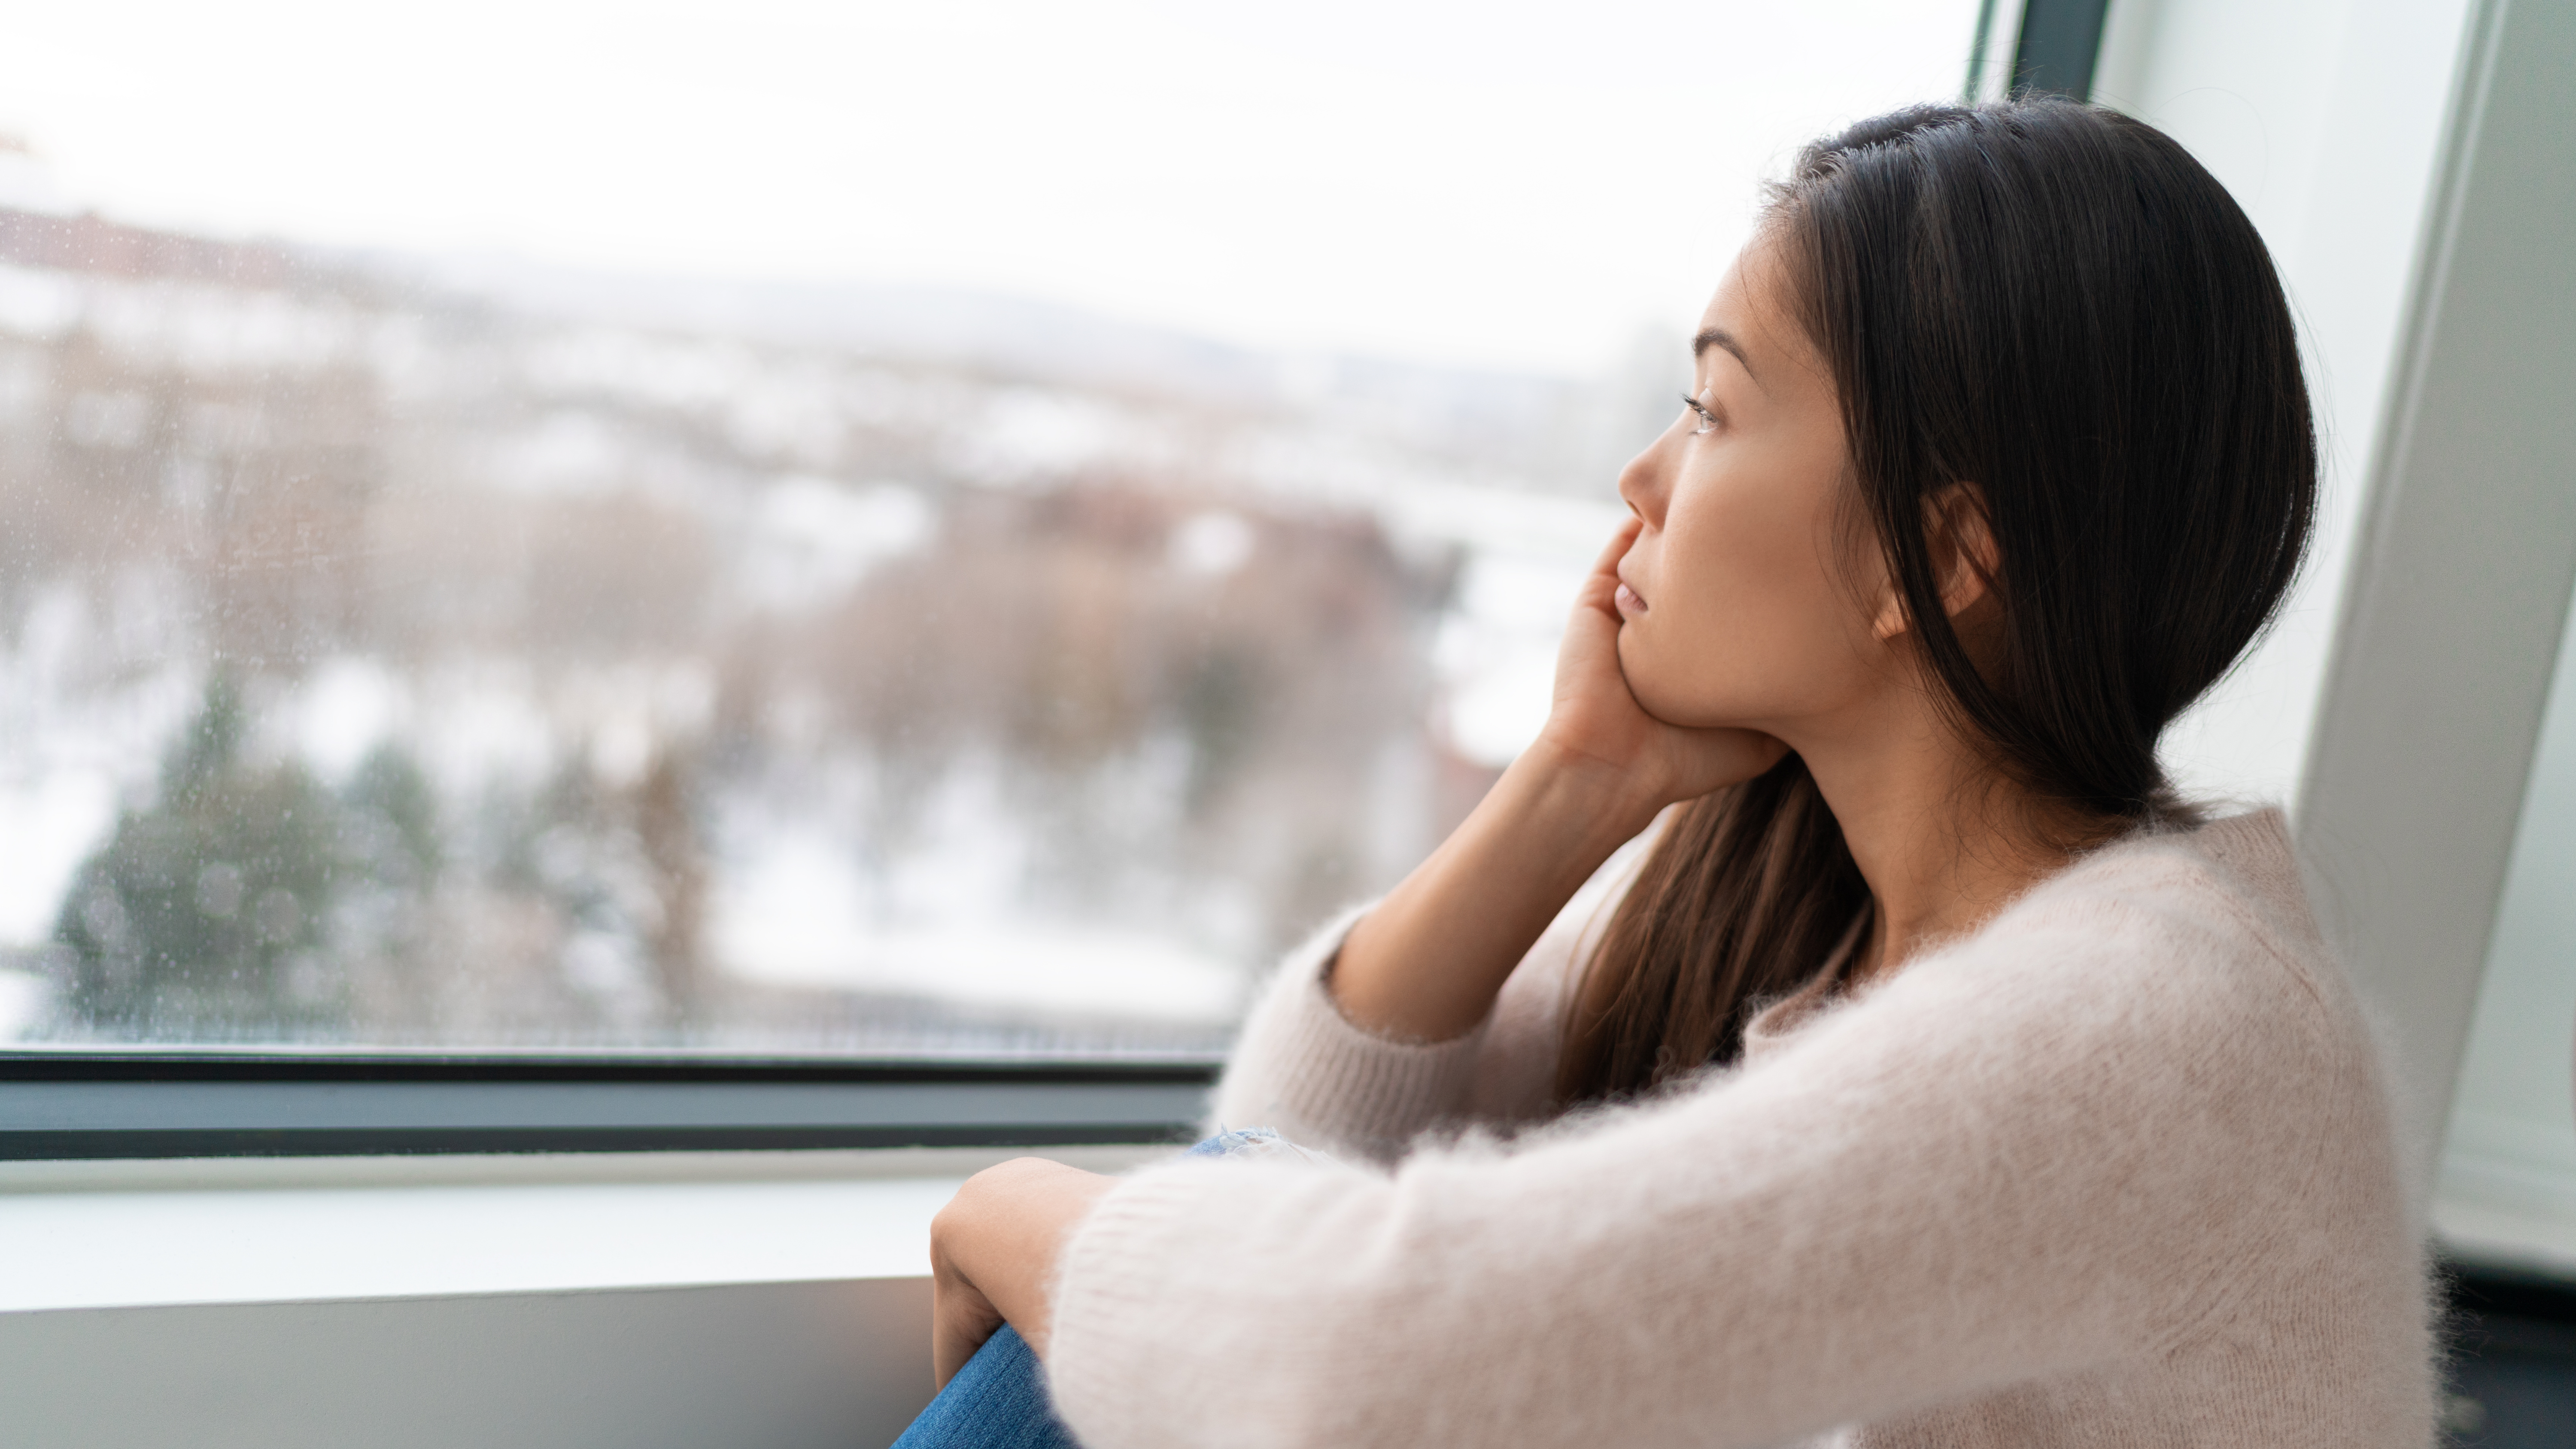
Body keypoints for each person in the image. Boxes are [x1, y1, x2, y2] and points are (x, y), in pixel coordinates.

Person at [903, 97, 2434, 1448]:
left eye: (1712, 410)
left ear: (1942, 555)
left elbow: (1332, 1367)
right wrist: (1575, 777)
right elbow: (1306, 1143)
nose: (1642, 479)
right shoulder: (1809, 892)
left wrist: (1009, 1210)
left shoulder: (2166, 1024)